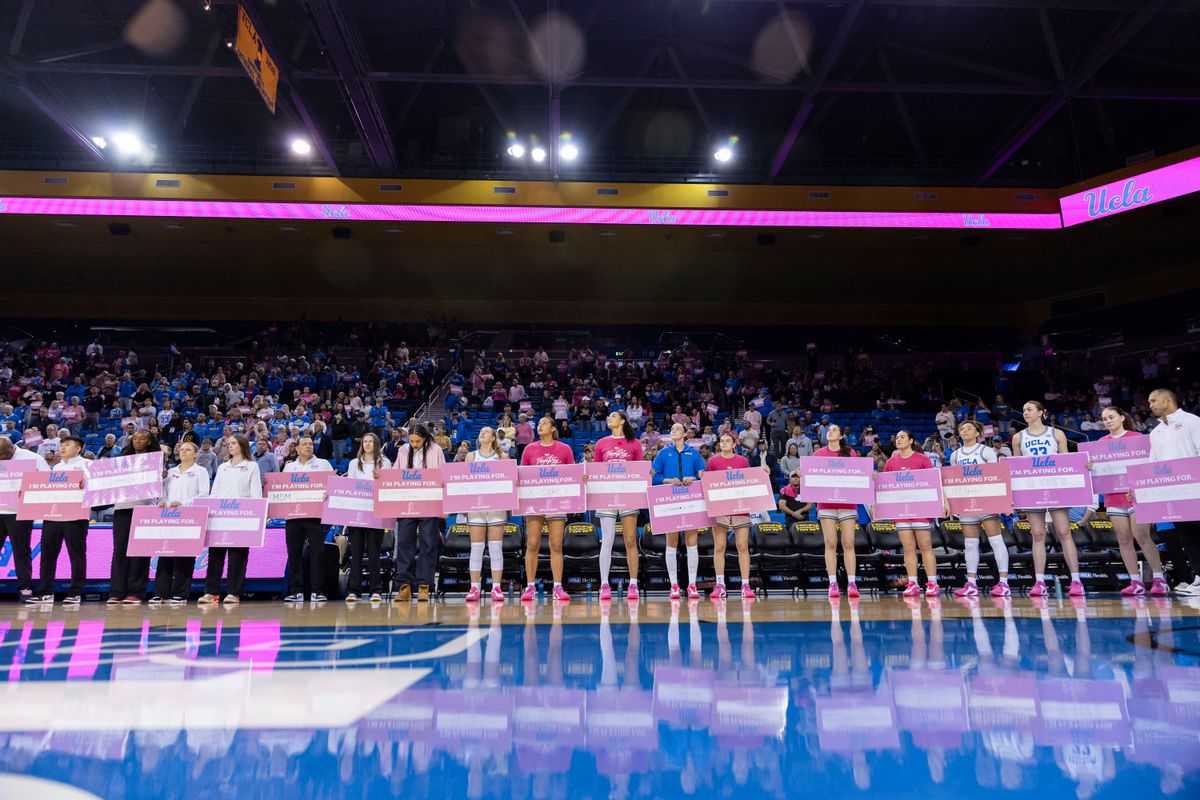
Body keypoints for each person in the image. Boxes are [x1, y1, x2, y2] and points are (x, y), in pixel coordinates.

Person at [1093, 406, 1169, 596]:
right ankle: (1135, 582)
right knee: (1124, 539)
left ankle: (1160, 579)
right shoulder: (1101, 443)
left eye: (1111, 417)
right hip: (1113, 497)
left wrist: (1139, 487)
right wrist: (1091, 466)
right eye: (1104, 418)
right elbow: (1099, 473)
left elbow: (1150, 466)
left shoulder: (1138, 438)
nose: (1108, 421)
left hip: (1138, 496)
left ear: (1121, 417)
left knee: (1141, 536)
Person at [1012, 400, 1084, 597]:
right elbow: (1015, 467)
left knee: (1064, 532)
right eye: (1024, 409)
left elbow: (1067, 461)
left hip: (1055, 487)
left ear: (1041, 412)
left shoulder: (1056, 433)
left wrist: (1084, 466)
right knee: (1037, 534)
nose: (1025, 412)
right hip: (1032, 489)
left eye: (1029, 409)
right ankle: (1040, 581)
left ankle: (1076, 580)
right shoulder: (1018, 437)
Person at [947, 421, 1010, 598]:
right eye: (961, 429)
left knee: (996, 540)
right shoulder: (955, 455)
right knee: (970, 544)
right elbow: (953, 480)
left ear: (977, 433)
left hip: (986, 500)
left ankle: (1004, 582)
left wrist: (1001, 501)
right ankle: (971, 584)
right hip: (966, 501)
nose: (964, 430)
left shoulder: (986, 451)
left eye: (968, 428)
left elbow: (997, 476)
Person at [1147, 389, 1200, 595]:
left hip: (1195, 489)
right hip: (1174, 494)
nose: (1150, 404)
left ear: (1167, 400)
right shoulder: (1155, 432)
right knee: (1187, 537)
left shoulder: (1192, 421)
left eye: (1153, 400)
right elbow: (1153, 465)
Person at [198, 434, 262, 605]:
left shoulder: (252, 466)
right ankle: (211, 592)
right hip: (220, 517)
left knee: (238, 556)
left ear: (242, 445)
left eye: (234, 443)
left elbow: (256, 494)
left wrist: (255, 515)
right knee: (215, 555)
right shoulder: (223, 467)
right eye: (229, 444)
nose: (230, 446)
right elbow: (215, 492)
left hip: (242, 518)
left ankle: (234, 592)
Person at [519, 417, 576, 603]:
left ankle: (558, 586)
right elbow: (523, 475)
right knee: (533, 544)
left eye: (544, 423)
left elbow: (572, 475)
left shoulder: (564, 449)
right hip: (535, 502)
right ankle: (530, 586)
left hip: (557, 501)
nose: (540, 425)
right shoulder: (529, 449)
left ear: (553, 428)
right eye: (539, 424)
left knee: (556, 545)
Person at [878, 430, 940, 598]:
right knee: (908, 549)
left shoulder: (922, 459)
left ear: (911, 440)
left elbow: (934, 482)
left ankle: (932, 583)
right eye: (897, 437)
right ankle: (913, 583)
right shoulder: (891, 462)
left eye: (902, 437)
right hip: (901, 512)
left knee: (926, 547)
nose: (898, 440)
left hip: (920, 511)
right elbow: (886, 486)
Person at [31, 436, 90, 605]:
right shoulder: (56, 466)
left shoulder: (87, 465)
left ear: (78, 448)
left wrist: (85, 484)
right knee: (48, 555)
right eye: (61, 445)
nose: (62, 448)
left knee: (76, 555)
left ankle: (76, 592)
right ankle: (45, 592)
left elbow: (94, 489)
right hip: (53, 515)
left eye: (67, 445)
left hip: (76, 515)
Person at [651, 423, 705, 600]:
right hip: (670, 502)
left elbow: (704, 475)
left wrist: (695, 478)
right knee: (671, 542)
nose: (673, 431)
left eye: (676, 429)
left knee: (692, 543)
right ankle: (674, 585)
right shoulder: (662, 453)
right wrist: (667, 480)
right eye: (671, 429)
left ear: (684, 433)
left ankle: (692, 584)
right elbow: (654, 476)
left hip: (691, 502)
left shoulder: (694, 453)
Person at [594, 410, 644, 601]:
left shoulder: (635, 443)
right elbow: (597, 470)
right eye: (608, 416)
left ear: (622, 420)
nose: (609, 418)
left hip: (628, 495)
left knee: (630, 540)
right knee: (607, 540)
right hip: (606, 495)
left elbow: (640, 470)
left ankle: (633, 583)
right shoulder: (601, 443)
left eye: (613, 416)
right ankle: (604, 584)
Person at [108, 429, 161, 605]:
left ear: (149, 441)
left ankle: (136, 592)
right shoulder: (121, 461)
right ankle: (116, 591)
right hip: (122, 507)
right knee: (120, 550)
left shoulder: (157, 460)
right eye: (135, 438)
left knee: (140, 551)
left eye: (142, 438)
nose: (138, 440)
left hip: (145, 508)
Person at [394, 424, 446, 602]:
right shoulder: (403, 450)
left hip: (429, 502)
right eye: (412, 440)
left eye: (417, 441)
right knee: (404, 543)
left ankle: (424, 586)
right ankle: (404, 586)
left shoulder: (436, 449)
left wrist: (443, 505)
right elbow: (395, 474)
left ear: (425, 438)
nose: (414, 444)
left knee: (429, 544)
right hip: (407, 501)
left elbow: (443, 475)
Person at [705, 431, 760, 600]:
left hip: (740, 508)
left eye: (728, 440)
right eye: (722, 441)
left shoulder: (743, 461)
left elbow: (748, 482)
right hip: (719, 509)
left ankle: (745, 585)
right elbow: (708, 486)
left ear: (734, 444)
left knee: (742, 546)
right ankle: (720, 585)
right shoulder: (712, 461)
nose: (725, 443)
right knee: (719, 547)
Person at [155, 440, 210, 604]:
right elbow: (163, 492)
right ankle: (161, 593)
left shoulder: (201, 471)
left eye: (187, 450)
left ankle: (180, 593)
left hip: (189, 518)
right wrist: (162, 501)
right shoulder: (170, 471)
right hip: (169, 518)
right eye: (181, 449)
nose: (183, 452)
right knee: (164, 555)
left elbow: (204, 495)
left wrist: (184, 504)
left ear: (195, 454)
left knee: (184, 557)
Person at [281, 436, 334, 603]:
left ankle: (317, 591)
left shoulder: (324, 464)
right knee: (294, 554)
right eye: (304, 444)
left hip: (315, 516)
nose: (308, 446)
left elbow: (333, 486)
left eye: (311, 444)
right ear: (296, 448)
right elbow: (281, 489)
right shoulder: (289, 467)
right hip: (293, 516)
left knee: (317, 554)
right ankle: (296, 590)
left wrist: (329, 493)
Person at [812, 424, 861, 598]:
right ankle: (832, 582)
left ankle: (852, 583)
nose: (830, 432)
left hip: (847, 504)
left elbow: (858, 476)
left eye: (834, 430)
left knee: (848, 544)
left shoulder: (850, 453)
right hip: (826, 504)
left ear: (841, 436)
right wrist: (803, 473)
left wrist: (869, 476)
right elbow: (812, 477)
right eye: (829, 430)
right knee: (831, 544)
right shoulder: (818, 454)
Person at [344, 432, 391, 603]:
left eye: (371, 441)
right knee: (355, 553)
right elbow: (349, 487)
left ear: (377, 444)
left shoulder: (385, 463)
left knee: (374, 553)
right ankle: (353, 591)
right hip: (357, 514)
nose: (368, 444)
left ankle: (376, 590)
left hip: (376, 513)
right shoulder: (353, 463)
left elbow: (388, 486)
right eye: (365, 441)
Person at [0, 437, 48, 601]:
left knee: (21, 550)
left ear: (10, 449)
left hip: (19, 512)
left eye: (2, 454)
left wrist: (31, 491)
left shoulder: (32, 458)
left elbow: (47, 480)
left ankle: (25, 588)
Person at [464, 427, 508, 603]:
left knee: (496, 547)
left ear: (493, 437)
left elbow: (509, 481)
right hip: (476, 507)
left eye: (486, 431)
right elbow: (462, 481)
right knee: (476, 548)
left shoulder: (503, 457)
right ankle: (474, 587)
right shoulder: (470, 456)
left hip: (497, 507)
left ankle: (496, 588)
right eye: (480, 431)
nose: (482, 432)